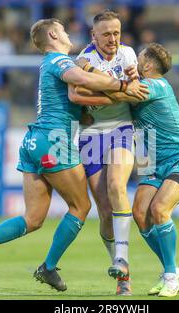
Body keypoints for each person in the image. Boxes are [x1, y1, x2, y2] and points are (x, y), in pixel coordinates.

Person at [0, 18, 148, 292]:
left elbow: (74, 99)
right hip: (54, 141)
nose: (69, 34)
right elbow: (81, 79)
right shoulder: (58, 61)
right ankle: (48, 267)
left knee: (33, 219)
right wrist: (121, 88)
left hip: (33, 141)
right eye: (64, 30)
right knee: (81, 207)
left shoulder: (52, 64)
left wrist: (90, 110)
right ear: (52, 34)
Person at [73, 43, 179, 297]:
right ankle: (173, 269)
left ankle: (169, 277)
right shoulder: (141, 85)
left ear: (149, 65)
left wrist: (86, 73)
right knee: (140, 214)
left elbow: (119, 95)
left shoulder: (155, 86)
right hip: (155, 165)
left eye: (140, 57)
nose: (135, 60)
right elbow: (118, 96)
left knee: (159, 210)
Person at [73, 10, 139, 295]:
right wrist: (118, 91)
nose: (113, 39)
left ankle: (123, 261)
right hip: (89, 136)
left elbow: (136, 91)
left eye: (116, 33)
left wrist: (100, 86)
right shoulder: (81, 59)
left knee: (116, 185)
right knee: (104, 210)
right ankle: (120, 270)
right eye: (106, 34)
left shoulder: (128, 55)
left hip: (121, 129)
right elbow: (77, 94)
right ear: (93, 36)